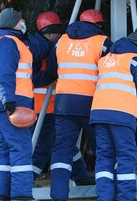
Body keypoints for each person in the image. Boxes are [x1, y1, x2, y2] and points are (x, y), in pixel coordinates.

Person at [46, 9, 112, 201]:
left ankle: (58, 197)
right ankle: (106, 198)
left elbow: (51, 71)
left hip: (64, 104)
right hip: (93, 103)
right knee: (103, 150)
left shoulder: (61, 41)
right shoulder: (102, 42)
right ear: (98, 25)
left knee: (62, 151)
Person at [0, 8, 46, 201]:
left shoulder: (0, 42)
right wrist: (9, 101)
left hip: (3, 102)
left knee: (5, 150)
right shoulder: (9, 42)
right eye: (21, 20)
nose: (24, 23)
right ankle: (21, 196)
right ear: (14, 24)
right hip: (13, 102)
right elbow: (3, 72)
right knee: (21, 148)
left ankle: (3, 197)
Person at [90, 29, 137, 201]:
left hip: (99, 113)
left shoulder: (104, 60)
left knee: (104, 156)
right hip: (122, 113)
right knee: (126, 155)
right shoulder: (136, 60)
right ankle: (126, 200)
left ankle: (104, 200)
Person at [27, 11, 92, 185]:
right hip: (45, 107)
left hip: (50, 105)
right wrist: (49, 76)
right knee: (43, 146)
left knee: (65, 143)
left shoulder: (39, 45)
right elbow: (33, 76)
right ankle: (28, 178)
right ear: (51, 31)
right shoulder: (42, 48)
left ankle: (80, 176)